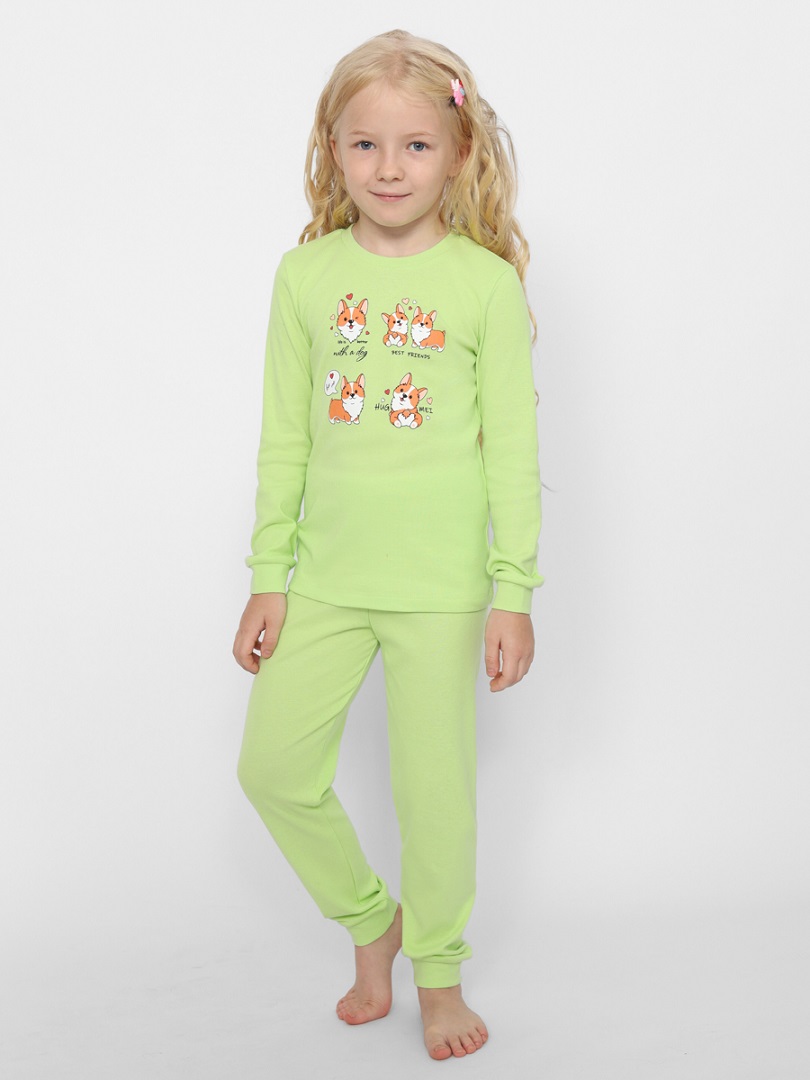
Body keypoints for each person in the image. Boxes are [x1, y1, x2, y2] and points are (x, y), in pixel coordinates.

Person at [232, 28, 544, 1061]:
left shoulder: (484, 285)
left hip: (441, 589)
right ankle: (373, 920)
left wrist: (512, 591)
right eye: (365, 145)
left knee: (433, 799)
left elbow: (513, 455)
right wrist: (269, 577)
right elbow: (284, 438)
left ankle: (437, 974)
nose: (390, 168)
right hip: (325, 579)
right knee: (274, 771)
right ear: (334, 150)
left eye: (415, 145)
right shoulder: (304, 277)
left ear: (458, 153)